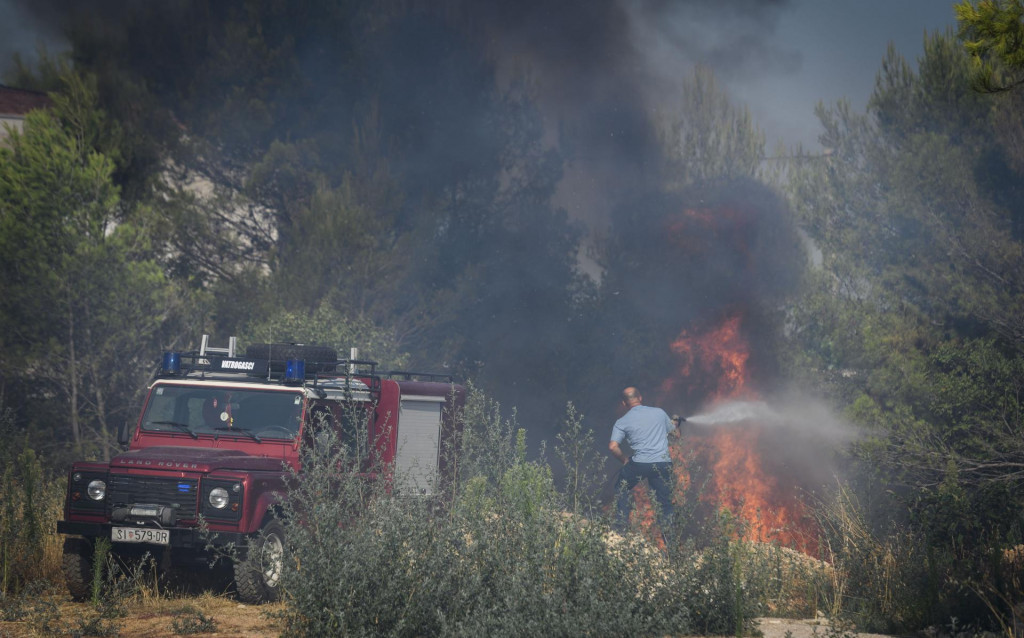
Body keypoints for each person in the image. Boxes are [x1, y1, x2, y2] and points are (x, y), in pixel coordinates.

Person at [609, 386, 682, 547]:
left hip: (639, 464)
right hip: (662, 463)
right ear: (640, 398)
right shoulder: (659, 413)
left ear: (623, 403)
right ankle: (672, 549)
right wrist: (675, 424)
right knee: (665, 504)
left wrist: (625, 460)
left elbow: (613, 446)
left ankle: (621, 529)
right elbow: (675, 435)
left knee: (621, 487)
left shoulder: (622, 422)